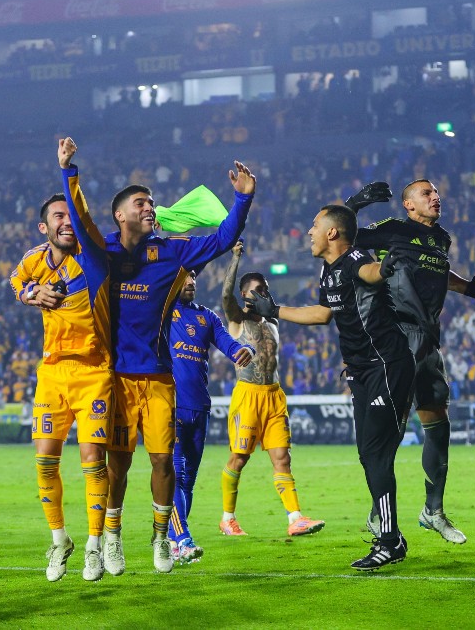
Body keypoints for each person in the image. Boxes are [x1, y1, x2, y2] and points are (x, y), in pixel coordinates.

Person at [59, 136, 254, 575]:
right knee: (119, 465)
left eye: (152, 203)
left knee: (163, 460)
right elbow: (80, 218)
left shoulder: (171, 251)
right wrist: (69, 173)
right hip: (115, 378)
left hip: (159, 376)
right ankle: (111, 537)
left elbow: (223, 239)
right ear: (121, 214)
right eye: (142, 203)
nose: (151, 208)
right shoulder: (102, 253)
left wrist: (241, 199)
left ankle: (162, 537)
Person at [246, 204, 413, 571]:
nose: (309, 232)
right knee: (370, 455)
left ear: (332, 234)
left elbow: (371, 273)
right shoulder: (329, 269)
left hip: (386, 366)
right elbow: (322, 315)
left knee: (375, 454)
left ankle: (390, 540)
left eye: (314, 225)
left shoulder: (354, 260)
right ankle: (390, 536)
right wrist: (273, 309)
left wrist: (385, 268)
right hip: (361, 371)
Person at [346, 179, 475, 545]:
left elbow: (438, 273)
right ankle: (380, 511)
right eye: (426, 193)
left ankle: (432, 511)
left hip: (428, 340)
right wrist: (353, 205)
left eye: (437, 192)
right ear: (408, 204)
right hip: (396, 336)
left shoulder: (441, 239)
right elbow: (340, 236)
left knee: (438, 422)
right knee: (391, 428)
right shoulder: (393, 230)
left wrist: (474, 289)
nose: (436, 196)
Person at [9, 143, 112, 582]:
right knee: (45, 462)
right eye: (59, 217)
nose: (67, 222)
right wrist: (32, 294)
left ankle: (94, 545)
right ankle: (59, 541)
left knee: (93, 460)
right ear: (43, 226)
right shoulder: (33, 260)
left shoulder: (90, 255)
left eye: (70, 215)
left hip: (94, 371)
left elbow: (82, 214)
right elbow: (15, 283)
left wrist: (68, 172)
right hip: (51, 373)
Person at [216, 242, 325, 541]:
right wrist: (235, 257)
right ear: (244, 295)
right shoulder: (237, 319)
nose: (264, 292)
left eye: (265, 288)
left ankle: (295, 518)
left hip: (274, 395)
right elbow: (225, 295)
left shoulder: (274, 320)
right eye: (257, 289)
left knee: (282, 458)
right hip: (248, 395)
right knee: (239, 458)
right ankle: (228, 519)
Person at [166, 268, 254, 561]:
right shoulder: (163, 313)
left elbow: (227, 342)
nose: (191, 282)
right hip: (171, 405)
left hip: (200, 406)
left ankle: (173, 543)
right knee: (176, 475)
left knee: (188, 479)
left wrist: (241, 350)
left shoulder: (207, 317)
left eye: (193, 277)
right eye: (185, 278)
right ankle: (183, 538)